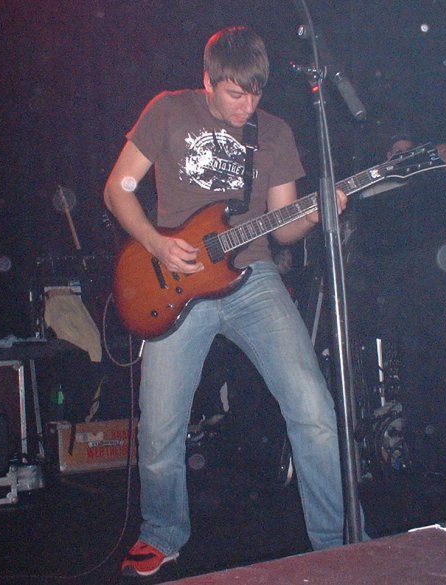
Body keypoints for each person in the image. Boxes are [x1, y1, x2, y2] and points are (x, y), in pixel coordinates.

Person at [104, 26, 354, 578]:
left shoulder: (276, 132)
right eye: (235, 94)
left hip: (252, 277)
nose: (247, 106)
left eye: (255, 94)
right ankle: (161, 532)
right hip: (176, 278)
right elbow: (117, 188)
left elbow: (283, 228)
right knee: (160, 427)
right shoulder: (168, 111)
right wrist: (155, 244)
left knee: (313, 407)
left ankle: (333, 543)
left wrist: (314, 214)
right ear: (208, 81)